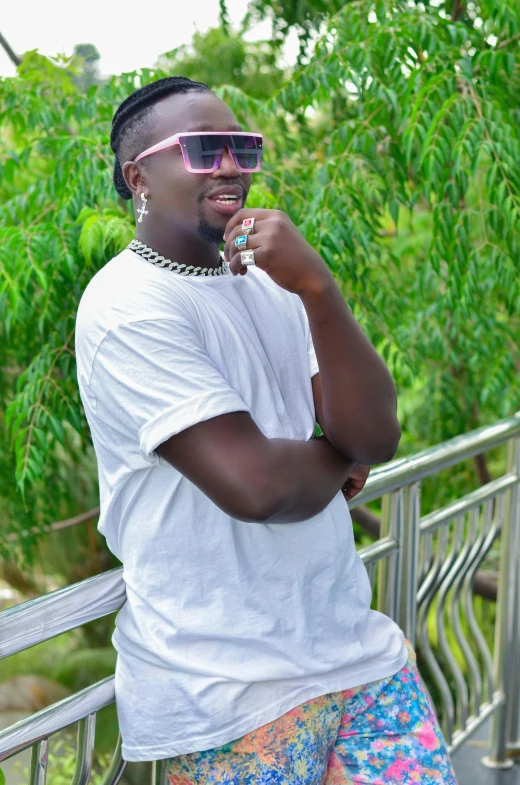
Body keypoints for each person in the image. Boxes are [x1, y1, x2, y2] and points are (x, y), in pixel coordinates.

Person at [75, 75, 458, 784]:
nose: (230, 165)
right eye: (202, 149)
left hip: (359, 658)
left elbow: (375, 434)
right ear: (140, 178)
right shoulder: (126, 306)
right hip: (227, 691)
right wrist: (333, 453)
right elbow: (257, 487)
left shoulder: (271, 278)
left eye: (242, 148)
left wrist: (318, 287)